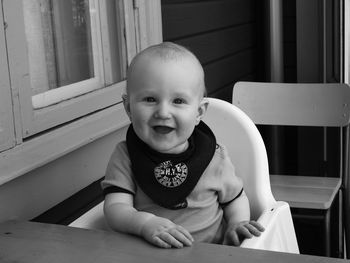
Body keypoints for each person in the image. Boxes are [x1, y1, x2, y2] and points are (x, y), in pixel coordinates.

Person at [101, 42, 264, 249]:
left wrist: (237, 223)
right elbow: (115, 207)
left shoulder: (214, 156)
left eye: (178, 101)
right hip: (147, 254)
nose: (163, 112)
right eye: (150, 99)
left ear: (199, 112)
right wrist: (145, 223)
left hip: (211, 254)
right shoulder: (126, 156)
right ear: (128, 107)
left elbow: (235, 198)